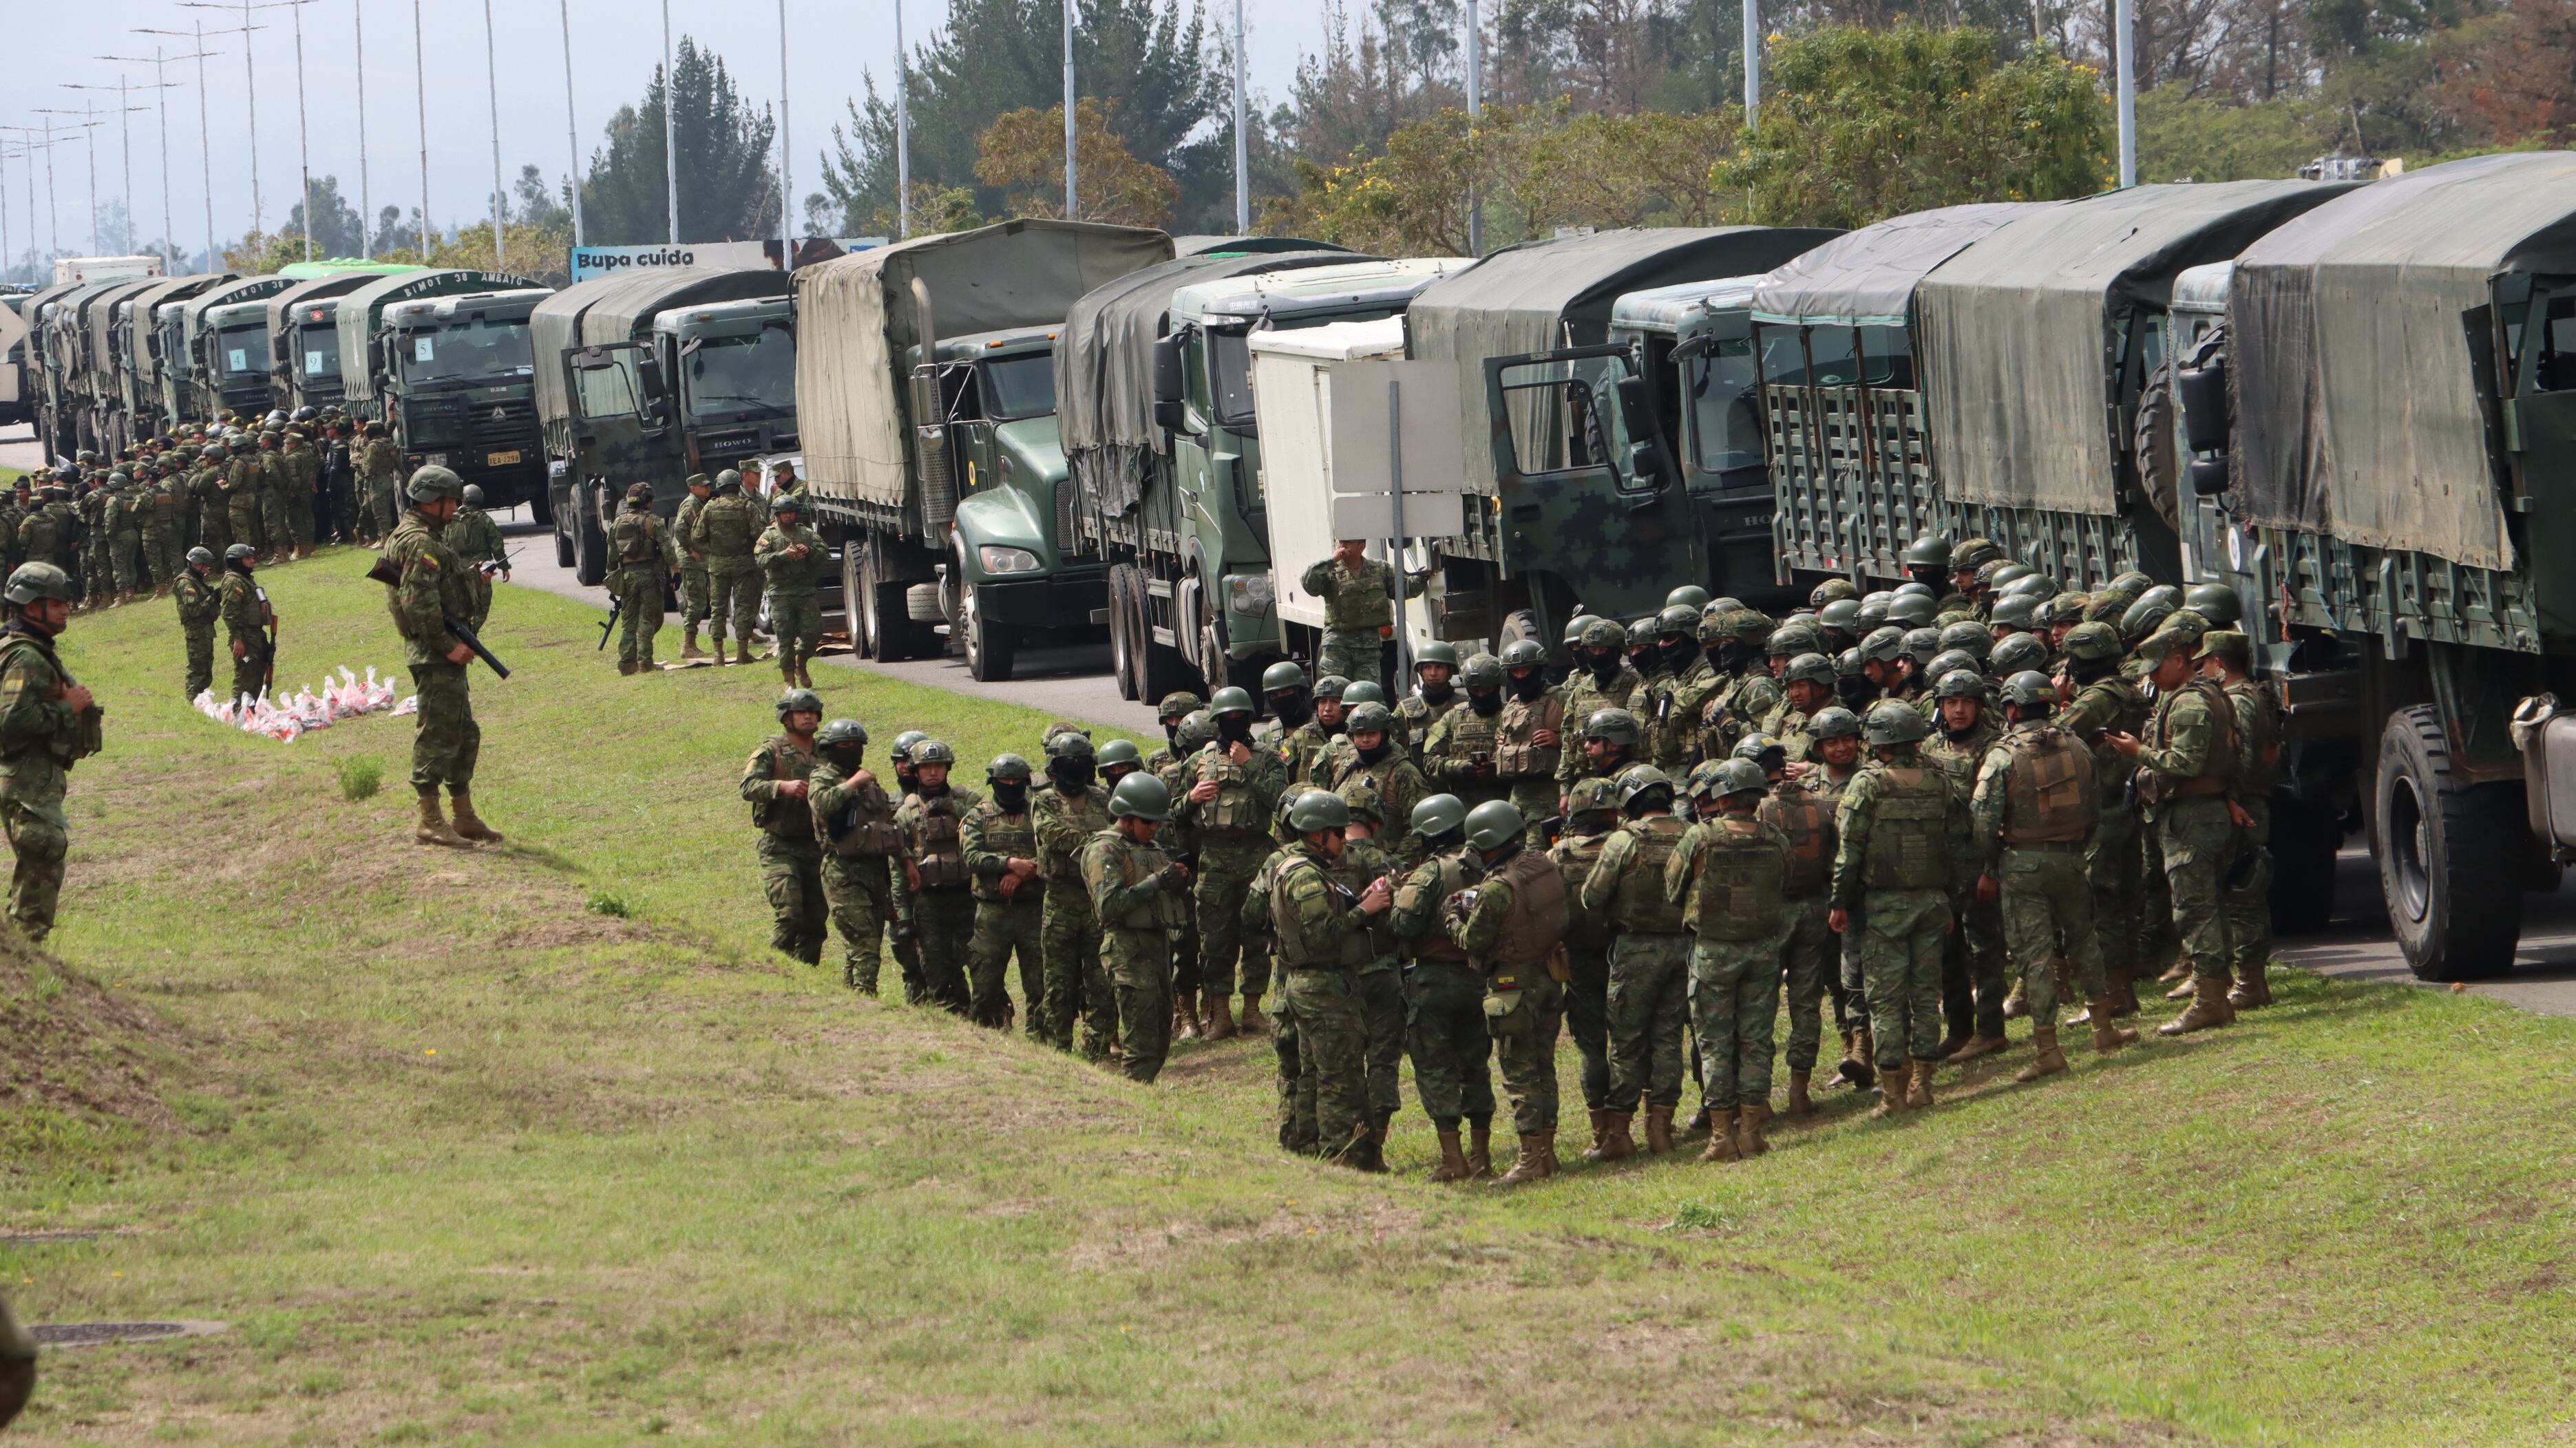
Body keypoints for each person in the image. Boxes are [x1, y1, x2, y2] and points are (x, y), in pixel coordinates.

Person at [1970, 672, 2137, 1081]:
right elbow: (2095, 804)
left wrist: (1992, 865)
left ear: (2011, 707)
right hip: (2071, 859)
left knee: (2037, 956)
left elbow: (1982, 820)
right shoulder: (2078, 745)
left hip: (2023, 865)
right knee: (2085, 942)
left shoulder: (2003, 755)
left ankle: (2048, 1050)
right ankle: (2104, 1028)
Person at [1830, 699, 1970, 1116]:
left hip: (1885, 906)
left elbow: (1849, 850)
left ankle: (1894, 1095)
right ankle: (1924, 1086)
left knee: (1886, 1000)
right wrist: (1950, 901)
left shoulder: (1867, 784)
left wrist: (1839, 901)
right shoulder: (1938, 780)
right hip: (1932, 901)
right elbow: (1959, 842)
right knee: (1926, 996)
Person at [2105, 629, 2243, 1037]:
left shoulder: (2190, 702)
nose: (2154, 677)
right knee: (2208, 906)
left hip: (2191, 817)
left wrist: (2139, 753)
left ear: (2180, 660)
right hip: (2202, 810)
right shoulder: (2210, 694)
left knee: (2194, 909)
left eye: (2158, 667)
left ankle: (2209, 1001)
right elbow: (2233, 754)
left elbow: (2187, 762)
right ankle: (2217, 993)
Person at [1665, 759, 1791, 1160]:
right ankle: (1752, 1130)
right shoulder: (1776, 838)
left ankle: (1721, 1137)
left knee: (1715, 1043)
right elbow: (1782, 884)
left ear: (1720, 796)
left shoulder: (1701, 837)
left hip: (1714, 952)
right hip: (1763, 951)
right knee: (1757, 1041)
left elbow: (1673, 887)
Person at [1445, 798, 1570, 1183]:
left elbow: (1473, 942)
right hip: (1550, 976)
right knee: (1545, 1066)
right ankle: (1546, 1153)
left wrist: (1453, 916)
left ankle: (1531, 1159)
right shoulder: (1543, 864)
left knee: (1520, 1074)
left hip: (1513, 987)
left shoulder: (1498, 887)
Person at [1269, 787, 1393, 1164]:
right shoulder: (1306, 876)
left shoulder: (1300, 868)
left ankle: (1308, 1149)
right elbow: (1321, 934)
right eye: (1339, 833)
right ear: (1318, 834)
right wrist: (1365, 911)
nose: (1345, 840)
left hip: (1311, 985)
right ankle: (1344, 1156)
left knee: (1313, 1074)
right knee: (1339, 1078)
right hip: (1321, 988)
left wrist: (1356, 901)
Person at [381, 467, 501, 850]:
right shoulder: (421, 542)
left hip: (439, 651)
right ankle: (430, 821)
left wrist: (470, 579)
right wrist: (448, 646)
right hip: (435, 653)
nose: (456, 508)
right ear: (432, 502)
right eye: (452, 502)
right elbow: (417, 603)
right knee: (437, 735)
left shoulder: (423, 536)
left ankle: (463, 816)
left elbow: (434, 588)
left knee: (463, 733)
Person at [1579, 764, 1695, 1160]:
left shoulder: (1624, 840)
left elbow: (1593, 897)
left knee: (1626, 1044)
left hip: (1636, 952)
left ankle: (1619, 1135)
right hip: (1684, 949)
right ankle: (1661, 1130)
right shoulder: (1689, 833)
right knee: (1668, 1040)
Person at [1392, 794, 1494, 1182]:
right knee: (1475, 1065)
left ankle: (1453, 1160)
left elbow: (1403, 926)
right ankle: (1482, 1156)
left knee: (1435, 1067)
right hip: (1477, 978)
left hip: (1434, 980)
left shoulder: (1430, 873)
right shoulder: (1487, 864)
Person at [0, 562, 101, 943]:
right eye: (56, 603)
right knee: (42, 856)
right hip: (27, 777)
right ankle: (26, 954)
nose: (66, 609)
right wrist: (68, 706)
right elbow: (10, 722)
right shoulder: (25, 657)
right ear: (29, 606)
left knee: (37, 861)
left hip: (35, 776)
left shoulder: (28, 648)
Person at [1179, 686, 1287, 1039]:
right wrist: (1192, 798)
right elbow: (1172, 815)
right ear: (1217, 721)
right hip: (1214, 857)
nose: (1234, 723)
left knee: (1256, 935)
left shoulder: (1269, 758)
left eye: (1240, 717)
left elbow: (1277, 800)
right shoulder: (1199, 760)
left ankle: (1253, 1010)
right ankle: (1221, 1014)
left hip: (1256, 853)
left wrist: (1248, 765)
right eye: (1227, 718)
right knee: (1215, 938)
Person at [1745, 732, 1841, 1114]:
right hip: (1814, 911)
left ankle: (1761, 1097)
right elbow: (1834, 857)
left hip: (1771, 916)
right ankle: (1800, 1091)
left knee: (1760, 1008)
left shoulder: (1755, 810)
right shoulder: (1817, 803)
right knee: (1806, 1005)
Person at [1084, 773, 1196, 1083]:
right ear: (1127, 817)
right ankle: (1131, 1108)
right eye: (1147, 822)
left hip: (1156, 949)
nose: (1154, 828)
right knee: (1141, 1046)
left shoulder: (1150, 846)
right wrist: (1157, 882)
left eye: (1157, 823)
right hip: (1128, 953)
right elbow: (1109, 905)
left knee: (1159, 1041)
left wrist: (1178, 882)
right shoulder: (1105, 850)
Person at [1924, 668, 2009, 1063]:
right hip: (1941, 867)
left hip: (1979, 861)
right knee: (1946, 948)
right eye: (1951, 703)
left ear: (1979, 706)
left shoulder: (1994, 748)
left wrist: (1990, 870)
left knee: (1986, 946)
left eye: (1967, 703)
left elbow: (1998, 815)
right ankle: (1959, 1029)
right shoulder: (1929, 748)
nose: (1959, 710)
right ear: (1940, 706)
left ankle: (1990, 1029)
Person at [2204, 630, 2280, 1009]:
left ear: (2218, 663)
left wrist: (2230, 799)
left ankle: (2251, 983)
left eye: (2204, 661)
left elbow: (2244, 756)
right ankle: (2250, 981)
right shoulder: (2256, 694)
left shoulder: (2240, 701)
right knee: (2243, 892)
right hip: (2250, 802)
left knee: (2243, 894)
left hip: (2246, 805)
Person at [1035, 733, 1118, 1058]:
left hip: (1095, 901)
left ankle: (1098, 1047)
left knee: (1102, 979)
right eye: (1068, 764)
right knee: (1059, 982)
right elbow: (1054, 835)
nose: (1075, 769)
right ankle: (1058, 1048)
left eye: (1081, 764)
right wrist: (1098, 845)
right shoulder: (1043, 801)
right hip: (1060, 902)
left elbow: (1120, 833)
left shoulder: (1103, 798)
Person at [1550, 776, 1620, 1154]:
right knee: (1632, 1042)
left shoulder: (1558, 855)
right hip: (1625, 954)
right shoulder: (1626, 846)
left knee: (1592, 1049)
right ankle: (1651, 1128)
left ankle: (1602, 1134)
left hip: (1578, 961)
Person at [809, 717, 903, 993]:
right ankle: (866, 998)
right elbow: (823, 804)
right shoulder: (823, 776)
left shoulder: (869, 782)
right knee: (863, 945)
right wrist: (852, 784)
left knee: (867, 943)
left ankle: (852, 998)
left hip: (874, 872)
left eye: (855, 744)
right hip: (843, 872)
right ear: (830, 748)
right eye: (844, 745)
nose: (851, 749)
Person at [743, 689, 829, 965]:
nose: (807, 717)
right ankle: (775, 967)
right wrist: (782, 786)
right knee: (790, 913)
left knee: (816, 921)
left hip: (816, 848)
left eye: (812, 712)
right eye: (801, 712)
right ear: (786, 718)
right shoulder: (772, 751)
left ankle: (806, 976)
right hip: (779, 846)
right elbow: (748, 787)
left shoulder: (826, 753)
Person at [961, 754, 1046, 1032]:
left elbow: (1049, 854)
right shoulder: (978, 815)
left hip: (1032, 911)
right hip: (992, 913)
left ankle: (1040, 1046)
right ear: (993, 782)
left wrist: (1022, 873)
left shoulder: (1038, 813)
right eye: (1004, 781)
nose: (1010, 785)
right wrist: (1009, 864)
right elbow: (972, 856)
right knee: (985, 983)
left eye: (1016, 780)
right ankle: (985, 1041)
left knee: (1040, 985)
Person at [896, 739, 980, 1012]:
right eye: (926, 767)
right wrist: (905, 919)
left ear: (948, 768)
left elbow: (989, 826)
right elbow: (899, 870)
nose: (933, 773)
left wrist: (952, 809)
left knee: (985, 970)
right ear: (915, 771)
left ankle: (992, 1026)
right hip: (930, 905)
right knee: (940, 976)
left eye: (939, 766)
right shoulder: (906, 813)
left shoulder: (967, 801)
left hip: (970, 900)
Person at [1299, 538, 1404, 690]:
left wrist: (1423, 577)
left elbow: (1402, 589)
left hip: (1368, 647)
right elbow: (1309, 584)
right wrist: (1332, 560)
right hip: (1338, 645)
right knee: (1335, 693)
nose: (1342, 546)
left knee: (1366, 694)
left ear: (1362, 546)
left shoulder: (1379, 569)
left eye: (1348, 542)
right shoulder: (1330, 571)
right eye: (1340, 542)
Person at [756, 494, 830, 688]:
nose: (788, 516)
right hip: (780, 593)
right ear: (777, 515)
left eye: (791, 512)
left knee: (814, 633)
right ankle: (790, 681)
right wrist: (782, 555)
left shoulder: (806, 534)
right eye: (784, 513)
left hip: (805, 592)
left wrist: (810, 552)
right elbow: (761, 560)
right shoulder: (769, 536)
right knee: (785, 638)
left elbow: (825, 554)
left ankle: (801, 663)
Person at [1421, 652, 1510, 809]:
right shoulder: (1453, 718)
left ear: (1498, 686)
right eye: (1475, 691)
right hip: (1461, 808)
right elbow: (1430, 762)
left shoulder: (1512, 714)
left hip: (1506, 804)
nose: (1481, 695)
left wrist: (1498, 767)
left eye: (1486, 690)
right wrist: (1459, 767)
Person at [695, 469, 765, 666]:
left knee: (718, 609)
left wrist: (712, 550)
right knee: (743, 608)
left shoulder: (710, 508)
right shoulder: (748, 506)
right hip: (744, 565)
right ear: (737, 486)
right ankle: (743, 653)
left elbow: (697, 537)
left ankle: (719, 655)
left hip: (718, 565)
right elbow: (760, 533)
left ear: (720, 486)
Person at [609, 482, 676, 675]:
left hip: (627, 576)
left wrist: (614, 582)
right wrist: (676, 572)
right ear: (647, 502)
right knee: (648, 618)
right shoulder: (653, 521)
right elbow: (668, 550)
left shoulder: (618, 523)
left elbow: (611, 556)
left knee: (628, 622)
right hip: (650, 576)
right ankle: (645, 662)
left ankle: (626, 664)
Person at [444, 483, 508, 632]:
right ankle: (470, 634)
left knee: (459, 606)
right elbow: (496, 544)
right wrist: (504, 567)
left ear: (463, 500)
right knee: (481, 607)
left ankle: (464, 634)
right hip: (481, 570)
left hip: (457, 570)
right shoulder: (485, 520)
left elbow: (443, 543)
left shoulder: (450, 521)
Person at [217, 544, 273, 705]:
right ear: (236, 561)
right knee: (245, 677)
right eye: (247, 558)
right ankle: (237, 713)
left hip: (256, 635)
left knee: (257, 675)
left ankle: (251, 712)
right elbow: (229, 613)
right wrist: (238, 639)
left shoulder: (246, 579)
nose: (252, 561)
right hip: (245, 638)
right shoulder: (233, 582)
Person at [673, 473, 715, 661]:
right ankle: (688, 645)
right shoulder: (691, 504)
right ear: (693, 488)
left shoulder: (700, 504)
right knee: (696, 603)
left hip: (698, 560)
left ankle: (690, 644)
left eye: (707, 485)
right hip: (691, 561)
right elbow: (679, 529)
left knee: (697, 601)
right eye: (703, 486)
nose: (707, 488)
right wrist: (690, 551)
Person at [172, 546, 221, 699]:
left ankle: (203, 699)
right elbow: (194, 611)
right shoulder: (186, 584)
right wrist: (213, 597)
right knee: (198, 669)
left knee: (206, 668)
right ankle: (193, 699)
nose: (208, 568)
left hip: (205, 630)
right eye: (205, 565)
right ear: (195, 564)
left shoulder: (197, 581)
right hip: (196, 632)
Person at [1395, 641, 1463, 749]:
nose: (1433, 673)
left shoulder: (1465, 705)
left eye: (1439, 667)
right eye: (1427, 667)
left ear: (1450, 671)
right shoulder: (1406, 709)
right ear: (1421, 672)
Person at [357, 421, 401, 542]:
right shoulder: (389, 443)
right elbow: (398, 463)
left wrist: (366, 483)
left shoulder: (372, 447)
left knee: (380, 512)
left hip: (376, 482)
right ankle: (384, 538)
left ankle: (384, 540)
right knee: (387, 510)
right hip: (388, 479)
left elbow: (369, 468)